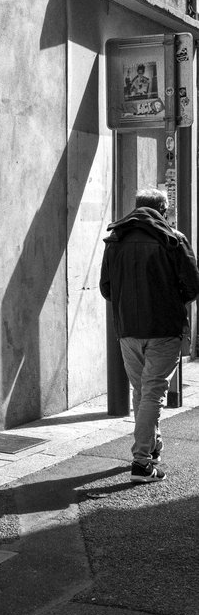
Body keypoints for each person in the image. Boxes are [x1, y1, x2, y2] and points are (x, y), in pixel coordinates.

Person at [100, 187, 199, 483]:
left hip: (127, 329)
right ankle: (142, 463)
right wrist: (170, 298)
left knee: (142, 391)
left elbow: (106, 287)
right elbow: (193, 287)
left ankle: (152, 448)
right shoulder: (173, 239)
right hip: (163, 328)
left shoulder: (115, 239)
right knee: (153, 393)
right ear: (163, 209)